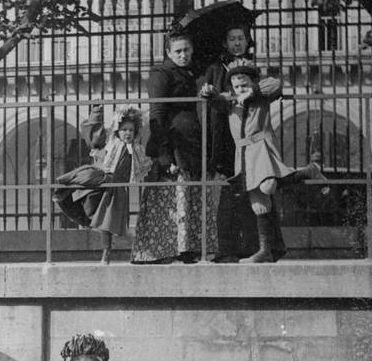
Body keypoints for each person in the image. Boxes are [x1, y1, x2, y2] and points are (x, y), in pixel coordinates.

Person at [200, 59, 328, 264]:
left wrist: (253, 92)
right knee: (259, 205)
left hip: (261, 147)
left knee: (268, 186)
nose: (240, 89)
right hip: (242, 154)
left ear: (252, 83)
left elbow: (276, 84)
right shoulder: (230, 100)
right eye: (237, 86)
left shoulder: (261, 97)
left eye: (244, 85)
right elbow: (216, 102)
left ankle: (308, 171)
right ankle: (265, 251)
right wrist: (208, 92)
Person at [131, 31, 216, 264]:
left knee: (191, 195)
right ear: (168, 52)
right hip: (173, 143)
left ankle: (189, 247)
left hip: (193, 144)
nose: (183, 55)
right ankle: (166, 249)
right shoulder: (161, 74)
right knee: (173, 196)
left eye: (187, 50)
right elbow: (157, 113)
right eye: (178, 51)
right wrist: (165, 154)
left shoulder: (195, 72)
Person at [53, 106, 153, 264]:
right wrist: (97, 114)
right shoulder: (111, 143)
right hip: (100, 181)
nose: (127, 133)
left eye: (131, 130)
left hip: (116, 190)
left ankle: (107, 253)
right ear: (118, 131)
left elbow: (146, 167)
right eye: (124, 129)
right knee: (88, 204)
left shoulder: (137, 150)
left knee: (107, 223)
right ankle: (77, 209)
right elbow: (95, 135)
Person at [199, 25, 260, 262]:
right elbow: (207, 95)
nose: (237, 43)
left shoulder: (252, 68)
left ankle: (251, 247)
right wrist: (211, 92)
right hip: (226, 137)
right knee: (228, 193)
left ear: (247, 41)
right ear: (225, 43)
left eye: (241, 38)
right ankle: (226, 248)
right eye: (232, 39)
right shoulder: (216, 68)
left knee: (250, 191)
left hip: (249, 135)